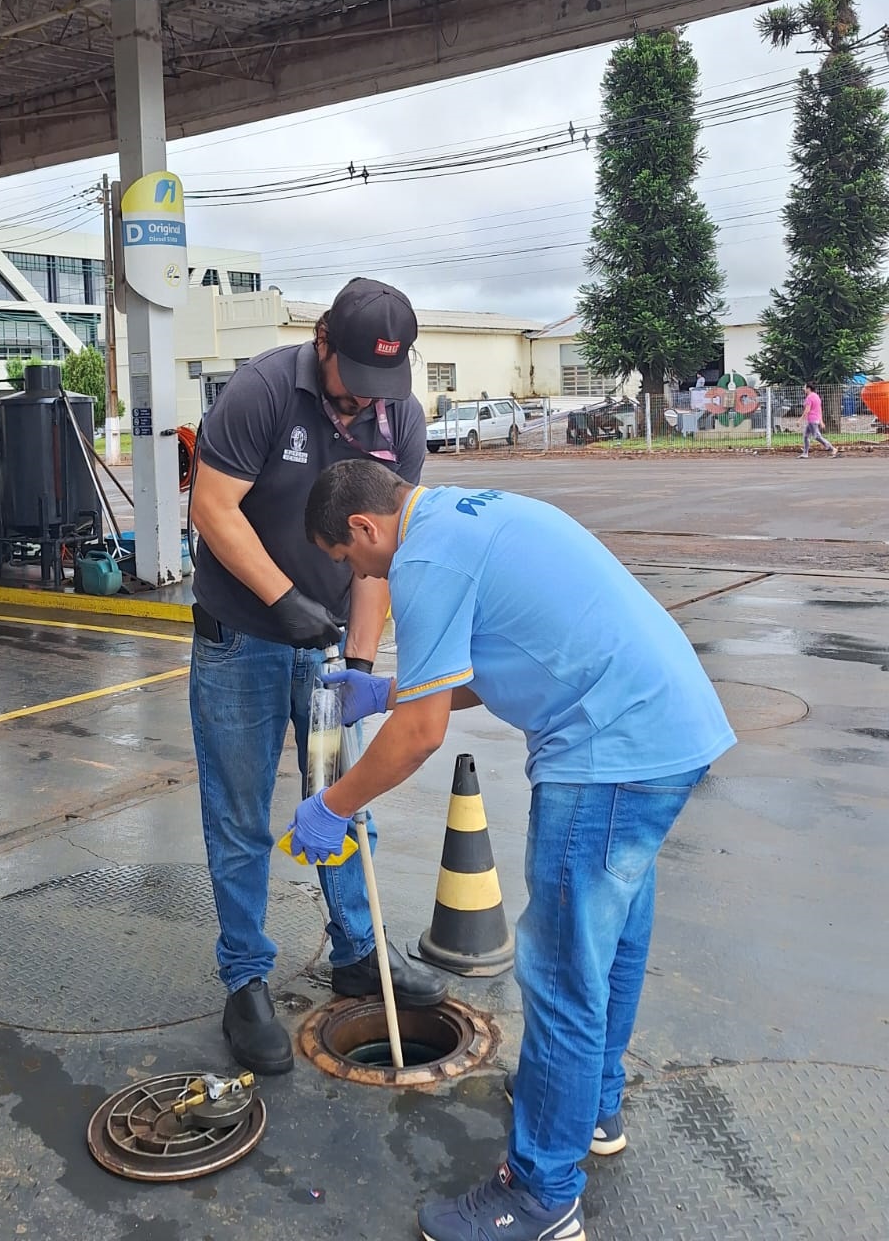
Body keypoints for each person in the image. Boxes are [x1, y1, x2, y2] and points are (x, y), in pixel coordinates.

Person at [292, 460, 736, 1241]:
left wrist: (333, 805)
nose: (360, 577)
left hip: (607, 754)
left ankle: (541, 1195)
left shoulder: (422, 560)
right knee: (611, 941)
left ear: (364, 526)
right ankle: (590, 1108)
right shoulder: (466, 515)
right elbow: (495, 660)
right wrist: (389, 690)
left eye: (348, 560)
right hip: (668, 727)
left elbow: (421, 736)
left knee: (562, 976)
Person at [188, 279, 447, 1076]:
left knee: (343, 799)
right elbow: (213, 508)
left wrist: (359, 662)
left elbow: (382, 552)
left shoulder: (398, 417)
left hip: (329, 649)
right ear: (324, 340)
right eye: (354, 380)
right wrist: (282, 600)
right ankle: (245, 981)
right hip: (242, 639)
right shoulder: (263, 391)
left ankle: (357, 952)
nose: (364, 402)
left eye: (382, 385)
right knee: (240, 819)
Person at [800, 381, 837, 458]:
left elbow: (807, 410)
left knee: (817, 436)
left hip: (812, 420)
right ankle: (805, 453)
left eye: (804, 387)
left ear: (808, 389)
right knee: (806, 436)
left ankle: (832, 448)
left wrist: (800, 419)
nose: (803, 389)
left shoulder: (809, 397)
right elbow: (819, 409)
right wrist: (821, 421)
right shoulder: (816, 396)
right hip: (814, 419)